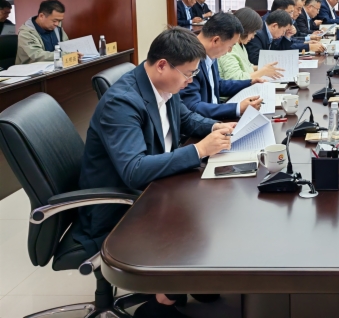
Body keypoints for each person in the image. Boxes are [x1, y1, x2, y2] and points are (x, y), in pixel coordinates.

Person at [72, 27, 234, 317]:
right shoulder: (122, 102)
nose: (190, 80)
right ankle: (161, 300)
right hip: (121, 205)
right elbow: (134, 170)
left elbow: (186, 119)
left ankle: (190, 281)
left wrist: (215, 127)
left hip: (153, 188)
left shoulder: (162, 86)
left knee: (216, 202)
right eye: (188, 74)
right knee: (206, 212)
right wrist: (199, 150)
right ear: (162, 65)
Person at [180, 14, 263, 120]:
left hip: (215, 117)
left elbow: (218, 85)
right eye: (230, 46)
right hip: (203, 123)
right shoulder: (189, 59)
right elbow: (193, 106)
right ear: (216, 40)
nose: (230, 51)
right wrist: (237, 108)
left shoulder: (211, 54)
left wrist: (249, 82)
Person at [218, 8, 285, 82]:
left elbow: (248, 67)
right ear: (245, 29)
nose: (253, 37)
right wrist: (263, 71)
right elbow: (235, 78)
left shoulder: (241, 45)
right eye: (252, 32)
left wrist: (263, 68)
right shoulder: (229, 48)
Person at [16, 0, 70, 64]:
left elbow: (66, 44)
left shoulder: (57, 26)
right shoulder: (26, 33)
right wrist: (65, 55)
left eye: (60, 21)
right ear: (41, 16)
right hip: (33, 68)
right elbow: (37, 55)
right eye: (54, 21)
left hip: (56, 65)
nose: (57, 24)